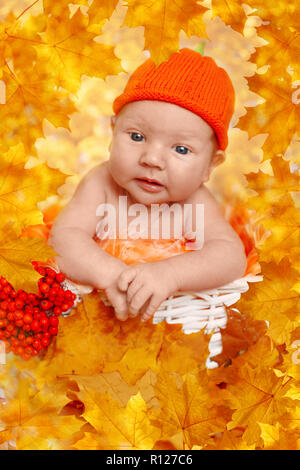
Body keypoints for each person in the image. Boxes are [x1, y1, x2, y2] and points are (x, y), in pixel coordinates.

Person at [48, 48, 247, 323]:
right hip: (94, 327)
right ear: (113, 132)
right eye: (137, 136)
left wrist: (171, 274)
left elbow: (231, 257)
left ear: (210, 165)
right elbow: (63, 238)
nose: (152, 159)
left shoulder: (195, 202)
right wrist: (112, 275)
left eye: (181, 149)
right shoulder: (100, 184)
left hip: (176, 333)